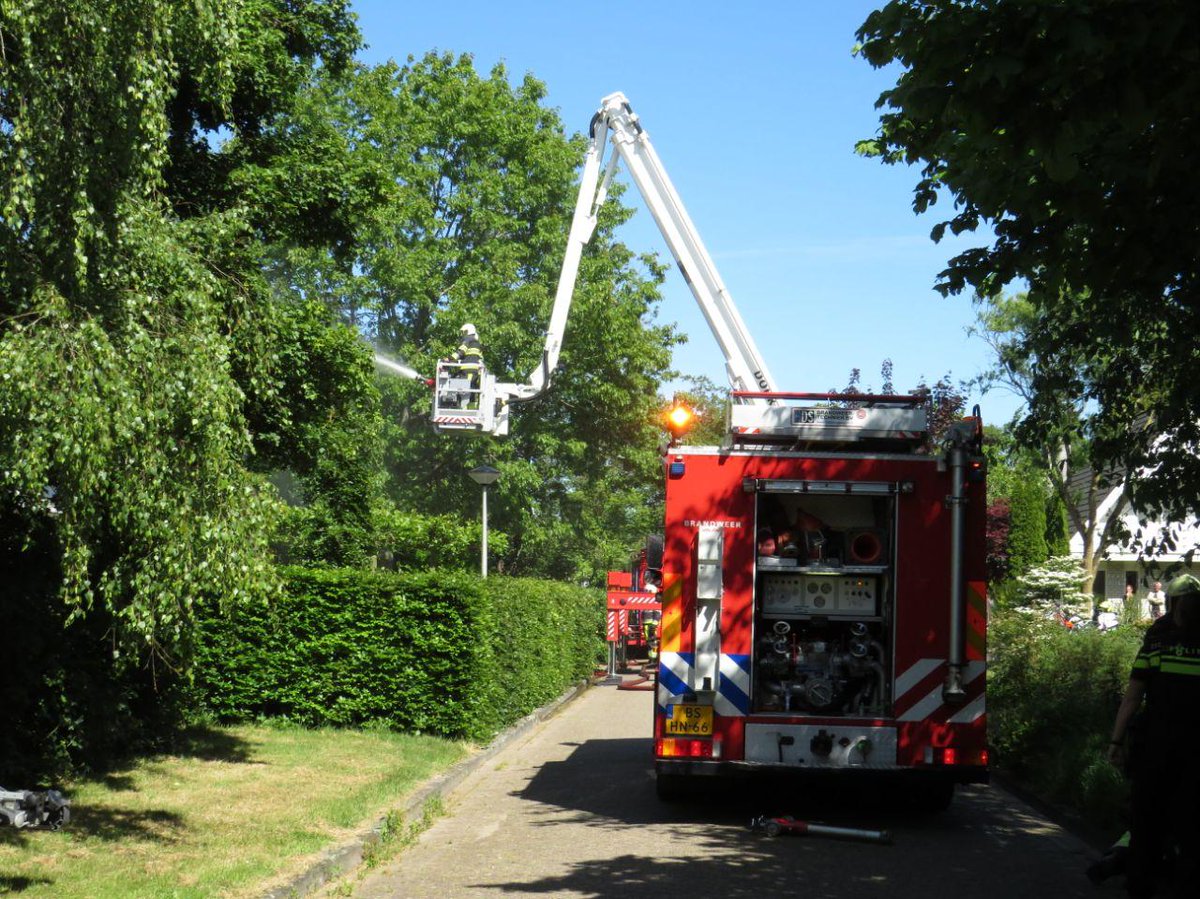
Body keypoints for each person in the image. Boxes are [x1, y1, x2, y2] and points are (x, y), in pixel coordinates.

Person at [1107, 573, 1200, 898]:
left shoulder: (1159, 636)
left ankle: (1140, 884)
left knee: (1146, 819)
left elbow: (1134, 694)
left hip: (1157, 746)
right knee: (1191, 823)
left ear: (1171, 601)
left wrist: (1116, 741)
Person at [451, 323, 483, 408]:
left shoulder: (468, 340)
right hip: (475, 371)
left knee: (463, 390)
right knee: (472, 390)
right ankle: (471, 408)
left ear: (468, 331)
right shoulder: (477, 343)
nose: (463, 334)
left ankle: (460, 408)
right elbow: (480, 357)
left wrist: (449, 359)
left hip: (468, 369)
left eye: (464, 332)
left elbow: (461, 352)